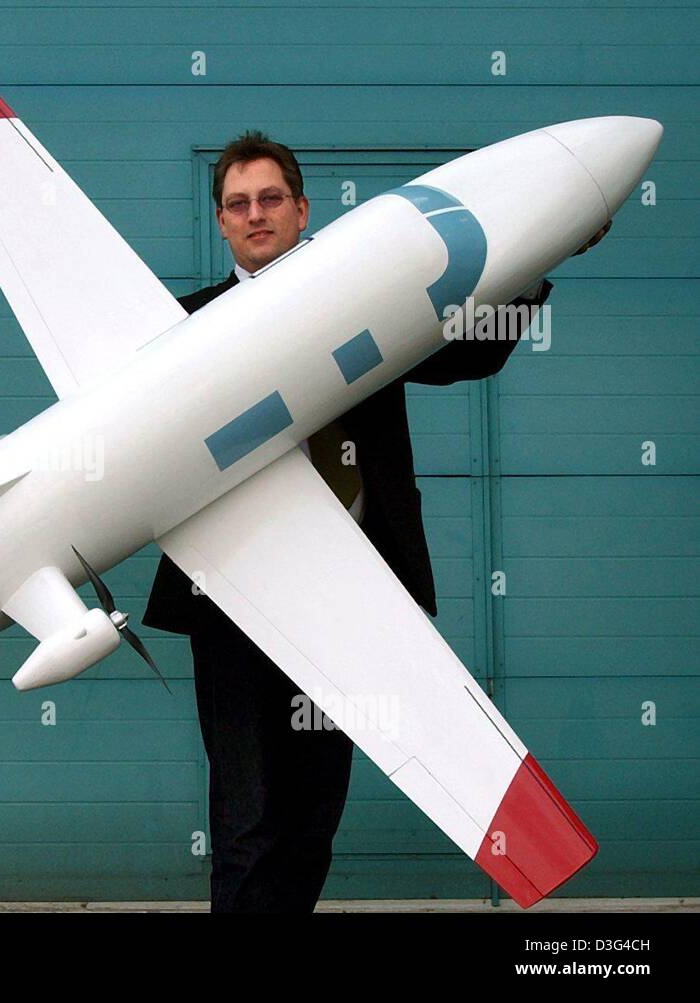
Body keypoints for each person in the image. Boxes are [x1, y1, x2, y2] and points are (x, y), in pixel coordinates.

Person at [142, 130, 609, 913]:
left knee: (313, 816)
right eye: (238, 204)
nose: (255, 215)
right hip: (237, 602)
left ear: (301, 209)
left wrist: (537, 254)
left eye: (270, 199)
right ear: (221, 223)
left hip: (352, 598)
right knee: (247, 819)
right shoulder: (179, 332)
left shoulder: (371, 305)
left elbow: (470, 353)